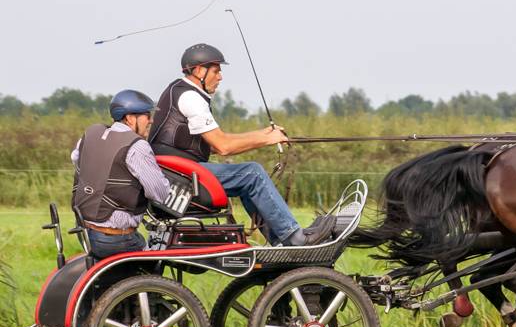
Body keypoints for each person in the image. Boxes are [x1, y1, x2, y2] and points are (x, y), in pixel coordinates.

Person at [149, 43, 336, 246]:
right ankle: (295, 238)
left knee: (247, 182)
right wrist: (268, 139)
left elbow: (213, 144)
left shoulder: (179, 91)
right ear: (200, 70)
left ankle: (280, 242)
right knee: (252, 173)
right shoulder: (191, 97)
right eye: (216, 71)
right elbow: (223, 146)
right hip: (182, 179)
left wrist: (262, 134)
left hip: (178, 174)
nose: (220, 77)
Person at [71, 90, 171, 259]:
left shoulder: (91, 133)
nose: (151, 120)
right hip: (117, 239)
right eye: (147, 115)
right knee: (157, 263)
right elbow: (160, 193)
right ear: (130, 118)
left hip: (86, 232)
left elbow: (75, 158)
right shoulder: (137, 146)